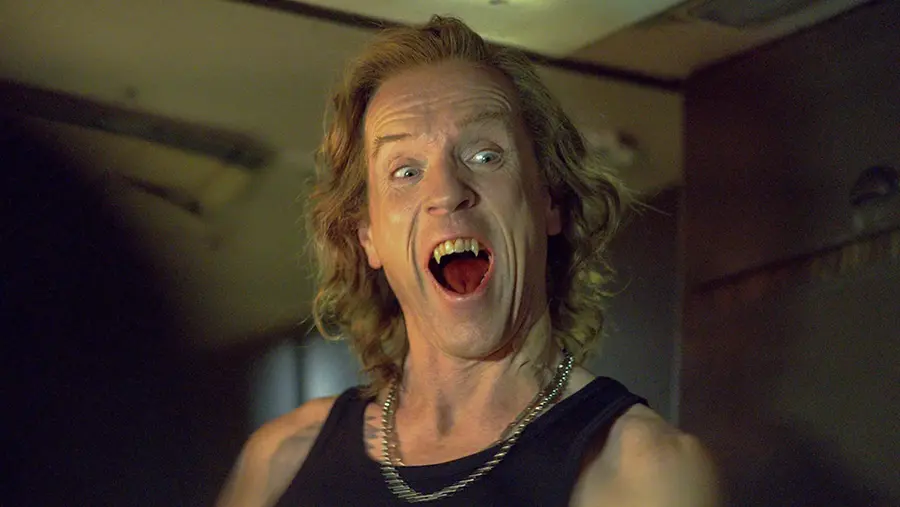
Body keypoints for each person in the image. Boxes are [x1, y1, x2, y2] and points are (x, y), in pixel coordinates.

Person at [217, 16, 717, 507]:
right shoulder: (280, 460)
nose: (446, 192)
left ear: (550, 202)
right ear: (368, 237)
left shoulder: (641, 472)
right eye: (405, 171)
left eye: (485, 156)